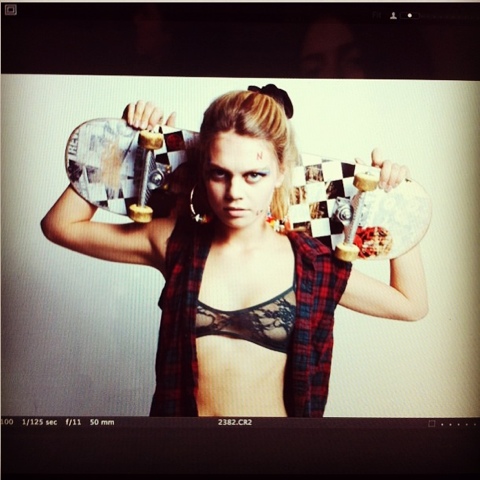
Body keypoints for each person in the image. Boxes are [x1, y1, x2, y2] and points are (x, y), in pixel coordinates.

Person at [41, 85, 428, 417]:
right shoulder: (175, 243)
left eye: (254, 175)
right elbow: (60, 226)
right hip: (183, 458)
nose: (235, 193)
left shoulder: (312, 264)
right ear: (202, 170)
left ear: (281, 172)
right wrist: (123, 146)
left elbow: (411, 304)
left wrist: (396, 207)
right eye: (219, 173)